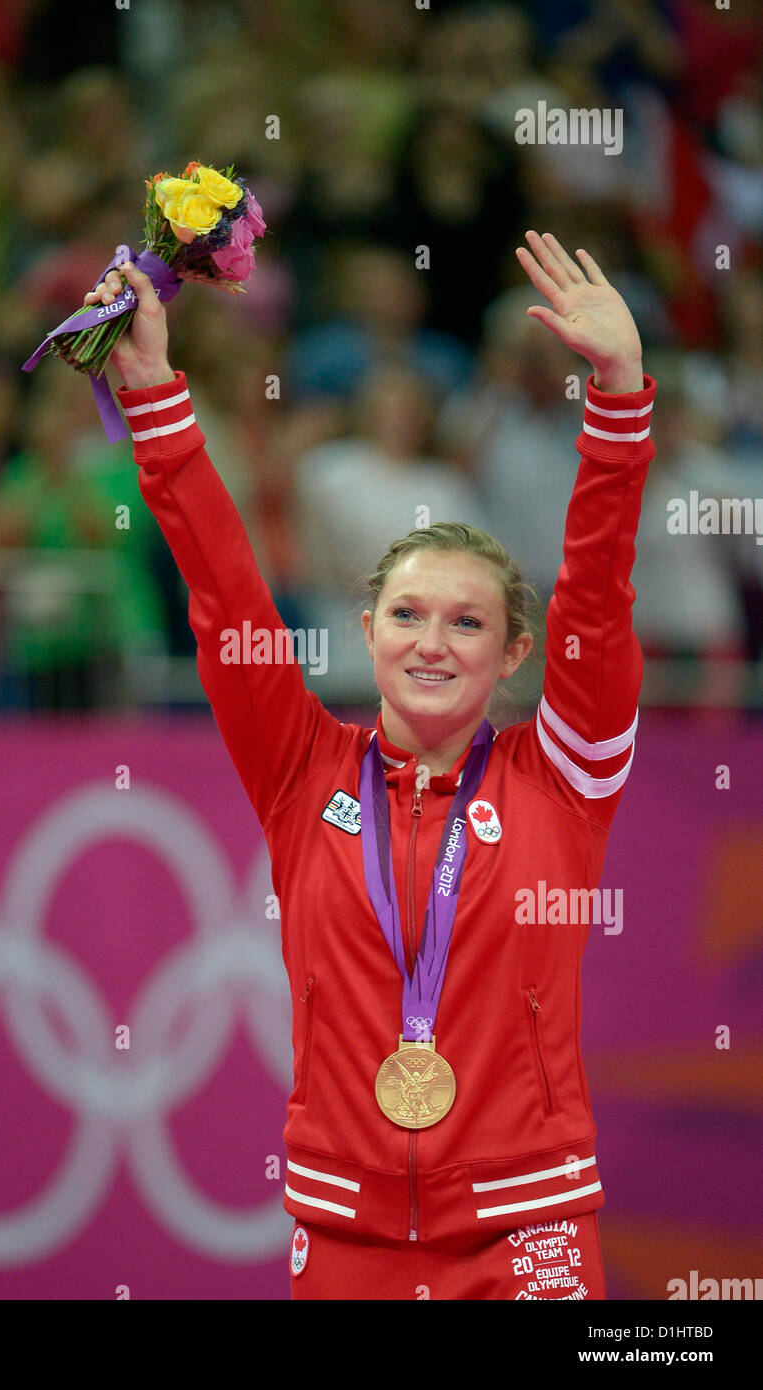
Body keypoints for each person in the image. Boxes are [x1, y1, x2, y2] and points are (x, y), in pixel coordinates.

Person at [82, 229, 656, 1300]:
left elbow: (598, 602)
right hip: (344, 1232)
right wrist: (156, 392)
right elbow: (225, 600)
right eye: (408, 614)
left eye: (467, 622)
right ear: (368, 627)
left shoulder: (565, 776)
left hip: (526, 1223)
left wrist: (619, 401)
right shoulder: (302, 770)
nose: (433, 642)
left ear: (513, 652)